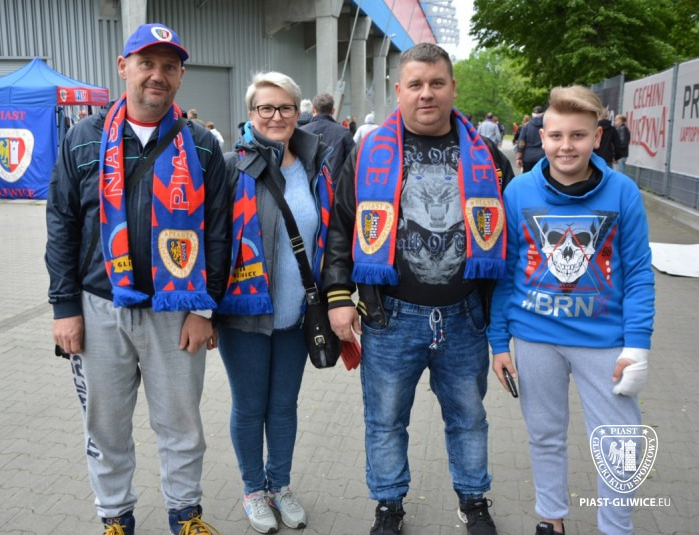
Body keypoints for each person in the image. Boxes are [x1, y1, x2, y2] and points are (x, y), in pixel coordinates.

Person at [45, 22, 229, 535]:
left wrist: (204, 308)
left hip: (177, 311)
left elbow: (219, 232)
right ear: (123, 67)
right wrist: (65, 308)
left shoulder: (202, 144)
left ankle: (185, 514)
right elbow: (61, 224)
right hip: (99, 309)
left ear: (181, 76)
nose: (157, 75)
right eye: (146, 63)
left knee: (182, 424)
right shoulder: (84, 138)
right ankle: (115, 516)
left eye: (169, 66)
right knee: (105, 427)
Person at [323, 42, 514, 535]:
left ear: (452, 88)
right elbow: (340, 228)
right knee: (385, 421)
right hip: (390, 318)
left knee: (468, 418)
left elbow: (509, 238)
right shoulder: (368, 153)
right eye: (416, 84)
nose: (426, 93)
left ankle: (473, 500)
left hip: (465, 316)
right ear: (399, 90)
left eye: (436, 83)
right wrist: (339, 297)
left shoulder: (488, 157)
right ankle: (389, 506)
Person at [488, 85, 654, 535]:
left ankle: (615, 528)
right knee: (544, 435)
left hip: (605, 343)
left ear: (597, 137)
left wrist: (638, 346)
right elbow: (505, 272)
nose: (566, 146)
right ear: (541, 137)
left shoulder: (623, 193)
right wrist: (498, 342)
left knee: (620, 443)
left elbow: (639, 272)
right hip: (535, 338)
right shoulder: (519, 191)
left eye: (578, 135)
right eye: (557, 135)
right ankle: (551, 519)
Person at [215, 71, 334, 534]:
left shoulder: (315, 165)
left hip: (296, 316)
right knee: (250, 407)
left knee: (284, 406)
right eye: (266, 107)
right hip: (244, 314)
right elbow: (212, 239)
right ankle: (253, 490)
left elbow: (329, 234)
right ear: (251, 114)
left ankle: (279, 485)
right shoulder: (231, 167)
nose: (276, 116)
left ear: (299, 112)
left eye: (285, 107)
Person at [301, 92, 354, 183]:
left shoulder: (302, 132)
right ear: (333, 110)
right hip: (336, 187)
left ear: (313, 110)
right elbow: (353, 162)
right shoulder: (344, 133)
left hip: (308, 187)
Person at [516, 106, 545, 172]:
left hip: (528, 157)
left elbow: (521, 142)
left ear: (532, 114)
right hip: (543, 157)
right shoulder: (547, 126)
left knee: (528, 176)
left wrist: (519, 157)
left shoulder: (526, 126)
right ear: (543, 114)